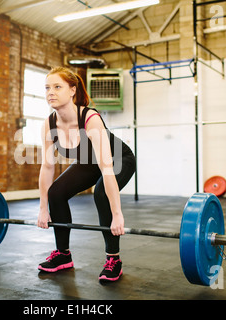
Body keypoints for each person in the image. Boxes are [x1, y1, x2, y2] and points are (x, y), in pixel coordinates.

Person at [37, 66, 136, 282]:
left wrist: (117, 213)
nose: (50, 92)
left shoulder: (90, 118)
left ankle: (113, 259)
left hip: (118, 160)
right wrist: (43, 208)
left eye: (57, 87)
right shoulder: (49, 124)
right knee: (55, 193)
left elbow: (106, 167)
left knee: (101, 193)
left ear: (72, 90)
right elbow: (47, 167)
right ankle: (63, 255)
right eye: (47, 88)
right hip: (87, 163)